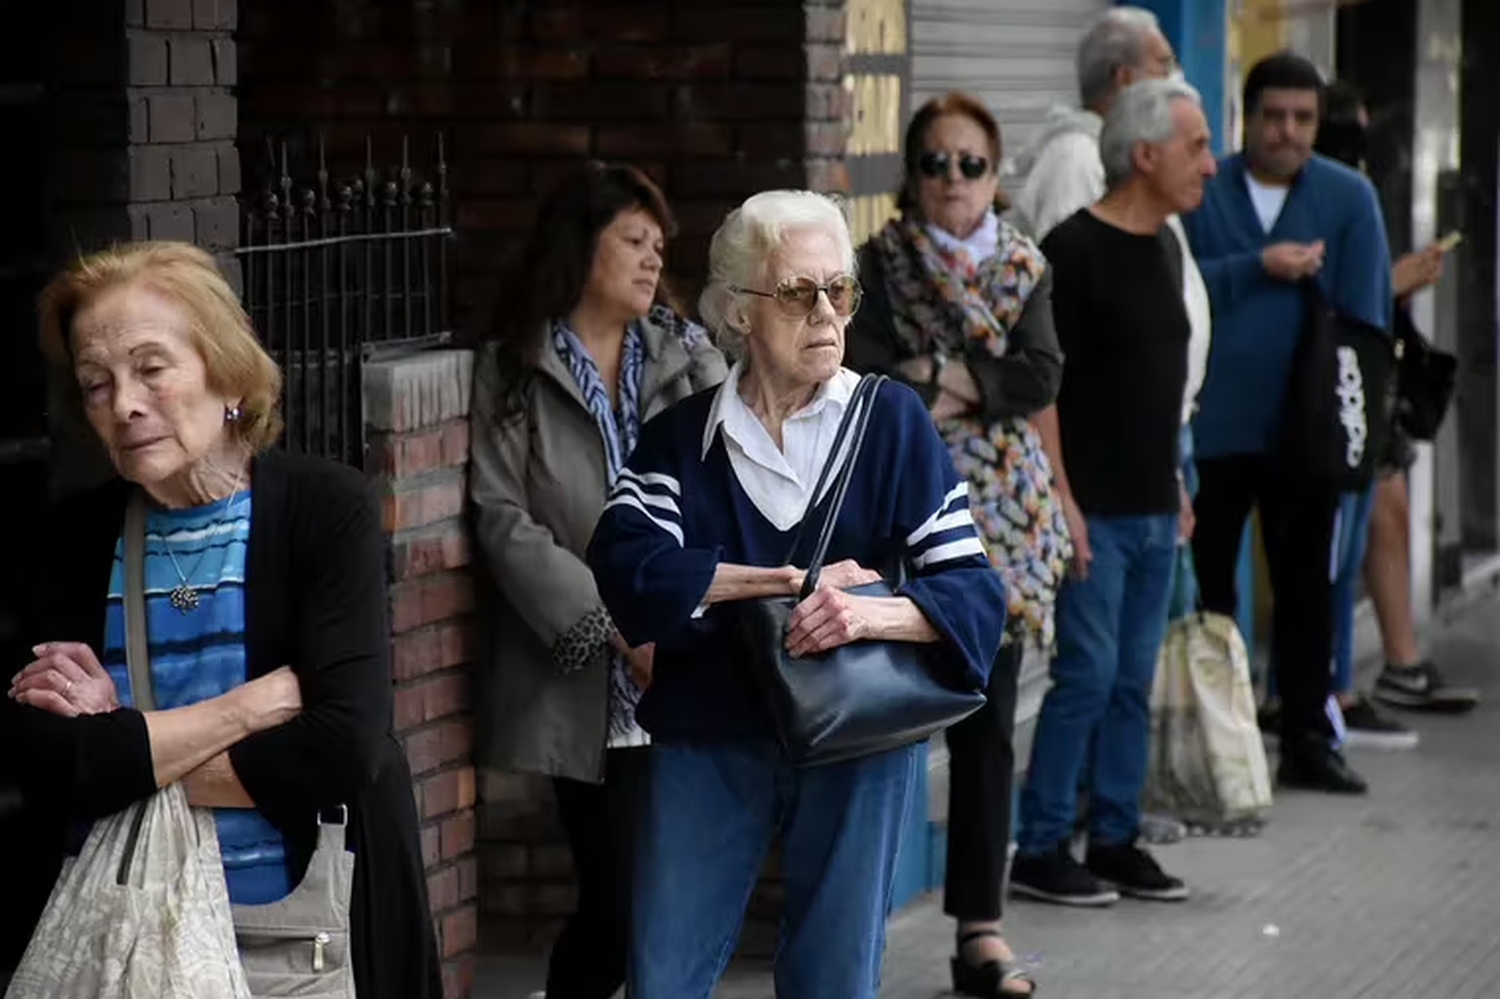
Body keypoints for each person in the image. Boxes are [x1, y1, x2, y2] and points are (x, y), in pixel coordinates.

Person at [586, 189, 1007, 999]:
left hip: (858, 734)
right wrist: (792, 585)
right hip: (709, 734)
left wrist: (865, 611)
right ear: (740, 311)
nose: (825, 313)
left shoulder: (891, 423)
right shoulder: (682, 438)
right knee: (662, 974)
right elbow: (630, 568)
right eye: (796, 292)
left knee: (833, 979)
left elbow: (973, 593)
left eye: (838, 290)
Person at [0, 242, 441, 997]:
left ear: (225, 367)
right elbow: (50, 764)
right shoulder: (69, 540)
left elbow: (342, 747)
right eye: (95, 383)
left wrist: (127, 740)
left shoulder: (323, 509)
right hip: (121, 945)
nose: (124, 403)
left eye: (152, 367)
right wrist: (249, 707)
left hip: (292, 942)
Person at [468, 162, 726, 999]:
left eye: (660, 244)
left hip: (679, 663)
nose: (653, 259)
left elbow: (727, 484)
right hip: (584, 674)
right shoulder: (514, 368)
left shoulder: (682, 355)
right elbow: (504, 517)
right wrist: (622, 625)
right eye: (633, 239)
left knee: (670, 895)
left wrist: (675, 614)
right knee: (615, 901)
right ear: (583, 246)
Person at [846, 92, 1064, 998]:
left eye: (970, 163)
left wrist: (940, 373)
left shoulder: (1024, 266)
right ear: (911, 173)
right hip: (899, 508)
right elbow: (862, 361)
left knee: (985, 723)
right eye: (934, 162)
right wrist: (959, 379)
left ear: (995, 173)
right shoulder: (875, 262)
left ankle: (980, 928)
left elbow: (1040, 373)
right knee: (877, 714)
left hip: (1004, 521)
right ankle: (850, 920)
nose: (952, 180)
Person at [1011, 78, 1214, 907]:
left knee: (1134, 677)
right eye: (1196, 145)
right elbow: (1043, 388)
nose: (1210, 162)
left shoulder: (1166, 244)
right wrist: (1059, 495)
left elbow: (1156, 381)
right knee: (1088, 675)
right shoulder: (1073, 248)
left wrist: (1173, 478)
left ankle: (1118, 836)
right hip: (1089, 505)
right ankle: (1044, 842)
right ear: (1144, 155)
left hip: (1153, 504)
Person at [1181, 52, 1392, 795]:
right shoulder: (1204, 189)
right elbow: (1176, 285)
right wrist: (1257, 265)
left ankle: (1307, 735)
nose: (1289, 131)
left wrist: (1360, 436)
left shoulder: (1349, 196)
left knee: (1309, 590)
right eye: (1274, 116)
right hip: (1211, 431)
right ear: (1247, 117)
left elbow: (1367, 322)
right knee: (1209, 594)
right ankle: (1215, 738)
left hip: (1306, 434)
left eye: (1303, 118)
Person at [1314, 82, 1480, 726]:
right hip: (1329, 394)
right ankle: (1329, 687)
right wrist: (1395, 282)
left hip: (1364, 388)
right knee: (1345, 535)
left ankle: (1391, 667)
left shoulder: (1352, 195)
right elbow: (1332, 302)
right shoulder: (1319, 199)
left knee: (1383, 514)